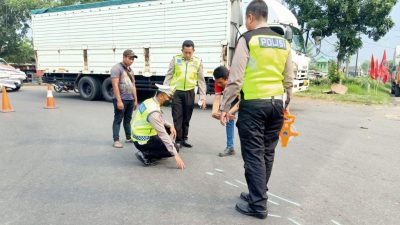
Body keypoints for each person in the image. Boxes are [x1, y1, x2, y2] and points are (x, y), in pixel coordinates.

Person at [218, 0, 294, 219]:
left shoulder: (248, 39)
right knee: (267, 153)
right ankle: (256, 193)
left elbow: (235, 77)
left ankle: (258, 205)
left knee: (253, 155)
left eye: (246, 20)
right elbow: (289, 77)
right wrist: (286, 101)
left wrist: (225, 106)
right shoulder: (283, 42)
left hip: (254, 105)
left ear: (250, 17)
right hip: (276, 105)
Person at [163, 40, 207, 148]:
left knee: (187, 117)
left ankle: (184, 139)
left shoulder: (198, 61)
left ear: (193, 51)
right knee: (177, 117)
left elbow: (201, 81)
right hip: (176, 92)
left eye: (189, 52)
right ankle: (178, 139)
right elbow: (169, 75)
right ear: (182, 50)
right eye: (185, 52)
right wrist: (165, 91)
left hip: (189, 92)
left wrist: (203, 97)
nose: (187, 55)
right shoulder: (175, 59)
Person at [131, 84, 185, 170]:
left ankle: (153, 150)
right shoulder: (153, 112)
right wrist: (175, 155)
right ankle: (145, 154)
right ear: (161, 96)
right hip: (143, 140)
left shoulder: (149, 101)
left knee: (168, 130)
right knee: (175, 148)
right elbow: (163, 134)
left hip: (137, 135)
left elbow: (158, 119)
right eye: (169, 98)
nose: (169, 100)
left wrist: (170, 125)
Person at [111, 49, 139, 148]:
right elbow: (115, 85)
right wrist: (119, 101)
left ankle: (128, 137)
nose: (131, 60)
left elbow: (133, 86)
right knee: (118, 119)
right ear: (124, 57)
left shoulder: (131, 70)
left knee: (128, 119)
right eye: (130, 58)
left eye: (133, 59)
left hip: (130, 99)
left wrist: (135, 100)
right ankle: (116, 140)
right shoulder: (116, 68)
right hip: (121, 99)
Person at [211, 66, 239, 157]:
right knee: (229, 120)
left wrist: (228, 112)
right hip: (230, 96)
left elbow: (241, 102)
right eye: (217, 82)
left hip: (244, 97)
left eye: (221, 83)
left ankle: (252, 149)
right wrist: (214, 112)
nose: (218, 85)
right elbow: (217, 98)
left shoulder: (236, 79)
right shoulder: (218, 81)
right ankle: (230, 148)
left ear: (228, 79)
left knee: (245, 123)